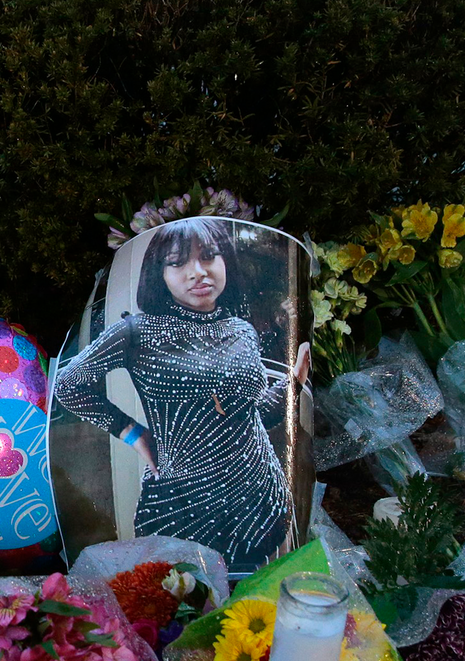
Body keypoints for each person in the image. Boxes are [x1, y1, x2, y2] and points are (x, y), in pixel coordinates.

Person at [53, 217, 298, 567]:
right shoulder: (136, 331)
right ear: (160, 273)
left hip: (259, 501)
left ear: (225, 261)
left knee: (251, 607)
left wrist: (297, 376)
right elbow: (68, 384)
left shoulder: (242, 331)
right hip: (181, 505)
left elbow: (255, 412)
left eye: (209, 256)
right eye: (178, 262)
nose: (197, 272)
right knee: (173, 605)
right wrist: (132, 432)